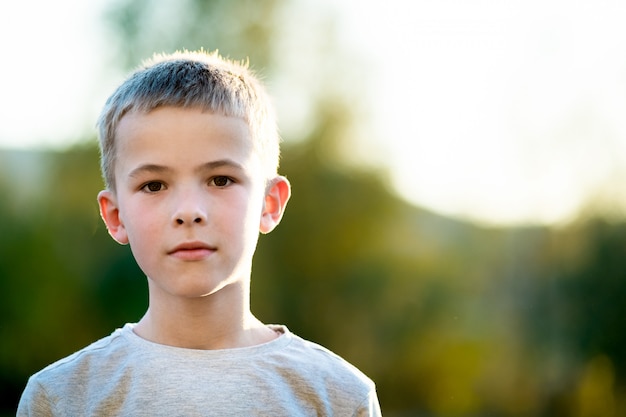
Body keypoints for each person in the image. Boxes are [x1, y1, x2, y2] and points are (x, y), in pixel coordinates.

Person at [16, 50, 382, 416]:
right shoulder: (61, 398)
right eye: (154, 185)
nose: (188, 211)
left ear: (269, 203)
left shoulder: (340, 396)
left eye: (221, 179)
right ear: (115, 216)